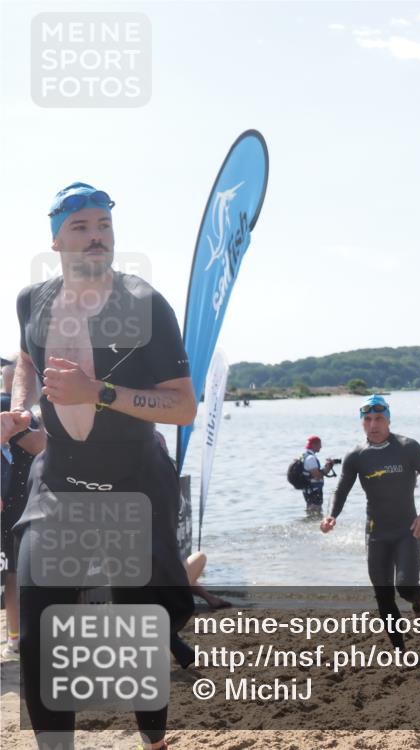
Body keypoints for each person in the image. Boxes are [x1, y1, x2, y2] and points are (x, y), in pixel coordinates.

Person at [11, 182, 196, 750]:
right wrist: (19, 406)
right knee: (42, 633)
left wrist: (100, 393)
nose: (96, 237)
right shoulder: (33, 300)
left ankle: (154, 739)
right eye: (82, 227)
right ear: (56, 239)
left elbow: (183, 405)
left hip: (131, 485)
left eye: (104, 226)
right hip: (60, 483)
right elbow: (25, 356)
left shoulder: (144, 304)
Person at [321, 395, 420, 650]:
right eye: (367, 419)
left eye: (378, 418)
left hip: (407, 530)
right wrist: (332, 515)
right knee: (383, 596)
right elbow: (341, 490)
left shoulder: (408, 447)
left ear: (388, 420)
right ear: (362, 423)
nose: (373, 424)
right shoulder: (356, 456)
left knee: (406, 588)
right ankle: (401, 651)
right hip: (376, 533)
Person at [1, 358, 46, 660]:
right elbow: (38, 446)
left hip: (26, 496)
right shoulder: (8, 407)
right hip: (18, 500)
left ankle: (16, 637)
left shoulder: (31, 413)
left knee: (17, 572)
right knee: (16, 571)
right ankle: (16, 638)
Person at [301, 435, 337, 511]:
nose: (321, 447)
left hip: (310, 490)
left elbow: (316, 474)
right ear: (314, 445)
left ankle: (311, 523)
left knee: (312, 513)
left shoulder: (305, 456)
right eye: (319, 444)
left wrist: (328, 466)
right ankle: (314, 523)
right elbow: (317, 476)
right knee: (316, 512)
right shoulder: (311, 458)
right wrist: (327, 467)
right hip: (313, 491)